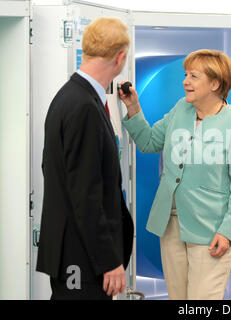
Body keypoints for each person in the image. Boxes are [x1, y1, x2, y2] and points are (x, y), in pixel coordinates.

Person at [119, 49, 231, 300]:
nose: (185, 81)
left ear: (215, 83)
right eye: (186, 74)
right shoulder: (181, 109)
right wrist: (133, 107)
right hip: (170, 225)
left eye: (194, 76)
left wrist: (227, 231)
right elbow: (149, 142)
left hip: (212, 229)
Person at [37, 17, 134, 300]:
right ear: (121, 58)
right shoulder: (84, 107)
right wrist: (108, 261)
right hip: (83, 256)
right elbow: (86, 193)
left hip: (74, 251)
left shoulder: (69, 97)